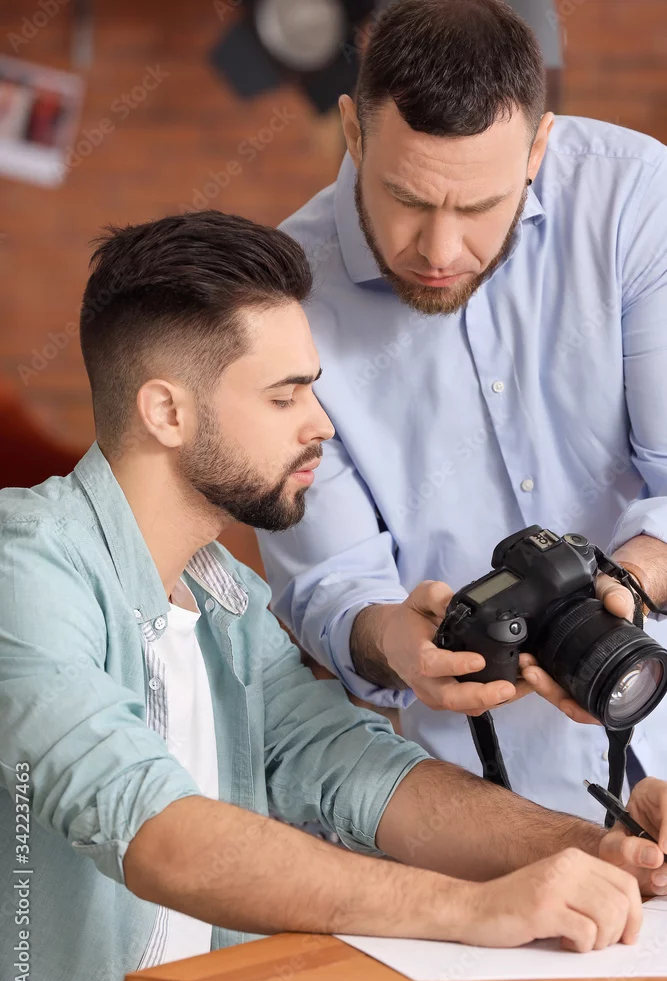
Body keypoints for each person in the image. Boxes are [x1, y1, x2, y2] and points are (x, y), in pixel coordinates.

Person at [1, 212, 667, 981]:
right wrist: (471, 910)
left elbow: (359, 772)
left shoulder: (229, 601)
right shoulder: (25, 567)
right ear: (167, 412)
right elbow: (156, 832)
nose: (320, 424)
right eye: (284, 397)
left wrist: (602, 849)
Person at [256, 0, 667, 819]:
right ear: (353, 132)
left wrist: (629, 580)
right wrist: (393, 641)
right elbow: (331, 586)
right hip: (487, 808)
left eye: (478, 208)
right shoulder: (281, 302)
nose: (439, 252)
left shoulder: (634, 198)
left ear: (537, 147)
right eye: (406, 199)